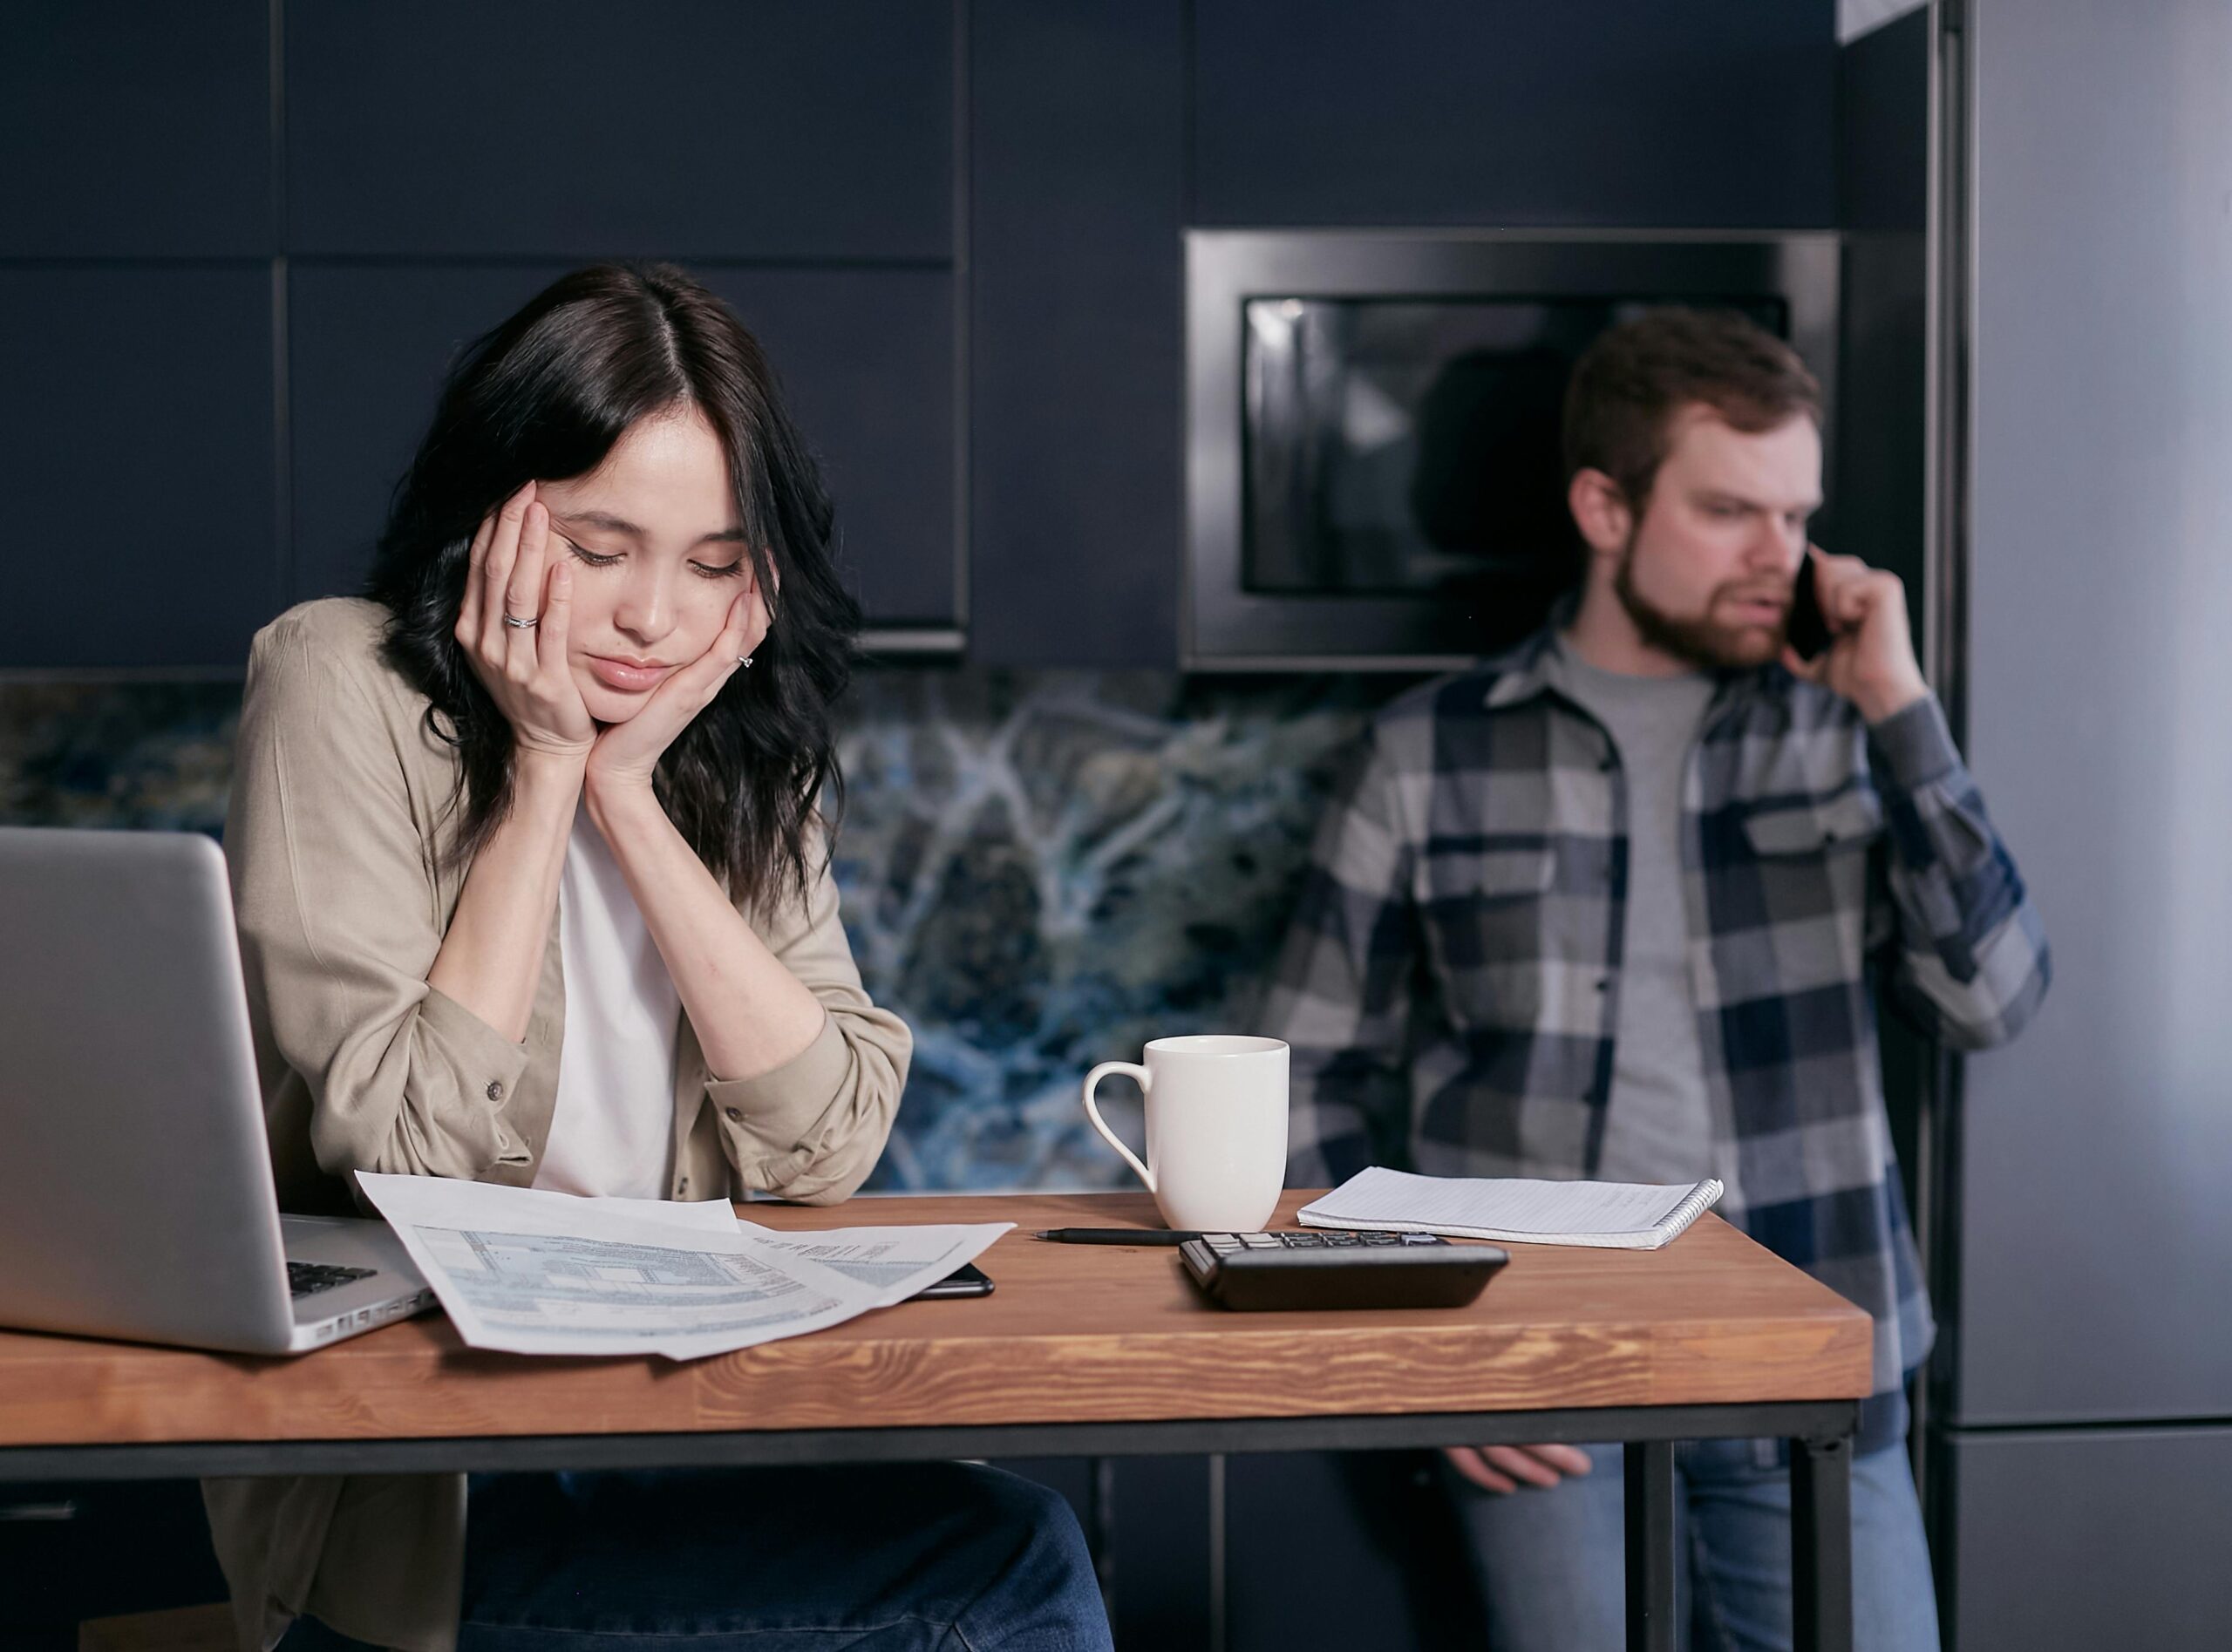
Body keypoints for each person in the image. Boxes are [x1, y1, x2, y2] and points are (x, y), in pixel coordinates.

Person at [203, 262, 1113, 1652]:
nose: (652, 619)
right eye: (595, 546)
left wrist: (632, 797)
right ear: (492, 518)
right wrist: (551, 769)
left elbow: (826, 1144)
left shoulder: (737, 752)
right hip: (434, 1485)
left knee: (1011, 1534)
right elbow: (409, 1151)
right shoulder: (339, 680)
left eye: (712, 564)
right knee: (1005, 1579)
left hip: (682, 1418)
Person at [1262, 307, 2050, 1650]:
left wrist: (1903, 711)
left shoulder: (1847, 735)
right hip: (1538, 1378)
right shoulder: (1426, 757)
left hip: (1817, 1367)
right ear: (1604, 508)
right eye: (1732, 511)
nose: (1780, 557)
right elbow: (1302, 1082)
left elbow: (1989, 998)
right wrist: (1419, 1346)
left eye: (1797, 516)